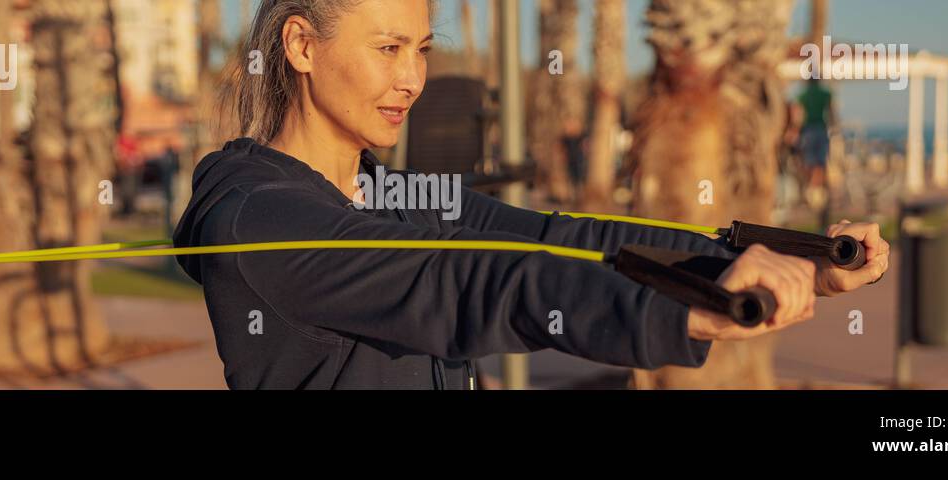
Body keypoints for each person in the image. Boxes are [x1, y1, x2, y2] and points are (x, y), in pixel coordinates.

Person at [174, 0, 890, 390]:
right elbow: (464, 282)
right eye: (388, 48)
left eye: (421, 50)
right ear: (300, 46)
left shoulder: (390, 190)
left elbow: (557, 239)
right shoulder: (258, 217)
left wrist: (757, 257)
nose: (412, 80)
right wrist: (684, 313)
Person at [796, 78, 836, 209]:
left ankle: (812, 191)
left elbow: (799, 115)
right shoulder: (825, 94)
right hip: (820, 128)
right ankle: (816, 192)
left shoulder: (802, 95)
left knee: (809, 162)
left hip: (807, 130)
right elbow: (831, 114)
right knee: (819, 162)